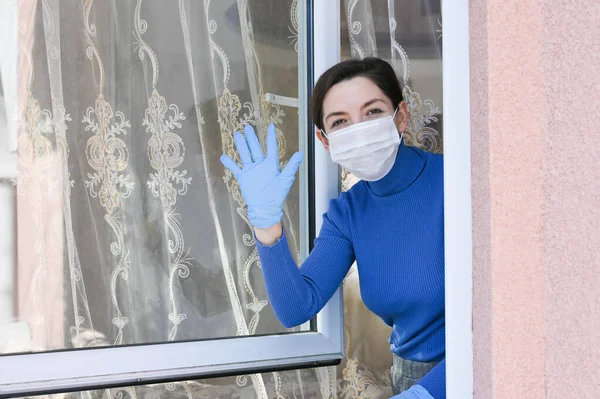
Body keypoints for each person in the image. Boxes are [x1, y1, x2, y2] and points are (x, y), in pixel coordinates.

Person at [220, 58, 445, 399]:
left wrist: (429, 392)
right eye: (340, 122)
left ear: (401, 117)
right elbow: (298, 306)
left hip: (478, 369)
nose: (358, 128)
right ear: (325, 141)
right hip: (411, 378)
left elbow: (505, 311)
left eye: (372, 112)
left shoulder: (455, 182)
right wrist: (267, 227)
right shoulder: (348, 213)